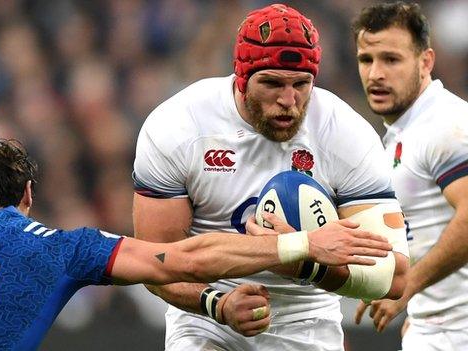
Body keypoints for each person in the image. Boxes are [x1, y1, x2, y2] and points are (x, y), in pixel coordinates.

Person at [0, 131, 393, 351]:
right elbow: (184, 257)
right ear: (28, 193)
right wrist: (300, 247)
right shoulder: (58, 246)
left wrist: (214, 306)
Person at [132, 3, 410, 351]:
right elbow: (156, 263)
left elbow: (394, 275)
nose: (289, 100)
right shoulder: (178, 127)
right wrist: (219, 304)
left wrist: (305, 267)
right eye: (272, 83)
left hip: (306, 319)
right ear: (242, 78)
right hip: (208, 319)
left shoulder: (345, 134)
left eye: (301, 84)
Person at [351, 2, 468, 350]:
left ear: (425, 61)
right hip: (438, 329)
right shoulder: (404, 133)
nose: (375, 74)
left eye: (391, 59)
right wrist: (419, 314)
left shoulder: (447, 126)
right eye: (366, 60)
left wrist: (408, 289)